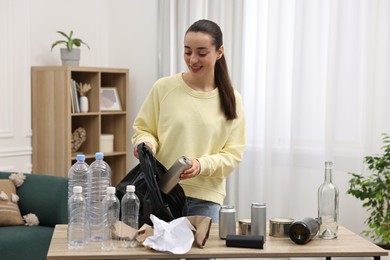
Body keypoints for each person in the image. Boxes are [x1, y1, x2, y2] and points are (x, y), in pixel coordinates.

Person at [132, 19, 246, 224]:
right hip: (162, 194)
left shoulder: (232, 99)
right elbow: (144, 128)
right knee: (160, 255)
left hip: (206, 198)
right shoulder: (163, 88)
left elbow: (233, 155)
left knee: (202, 256)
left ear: (219, 52)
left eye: (201, 53)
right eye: (187, 52)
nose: (193, 59)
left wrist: (200, 165)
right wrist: (145, 143)